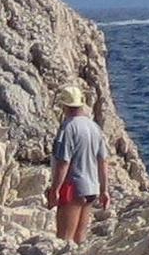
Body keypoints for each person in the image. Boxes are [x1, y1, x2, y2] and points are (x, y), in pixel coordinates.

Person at [47, 83, 111, 243]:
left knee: (65, 239)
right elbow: (103, 161)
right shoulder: (94, 127)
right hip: (91, 189)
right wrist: (104, 190)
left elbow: (64, 162)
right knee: (80, 238)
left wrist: (55, 190)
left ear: (64, 105)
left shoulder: (68, 128)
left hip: (73, 188)